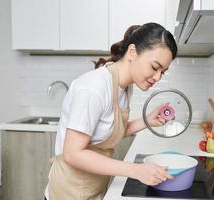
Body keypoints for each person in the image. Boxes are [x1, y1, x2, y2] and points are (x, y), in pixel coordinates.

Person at [45, 22, 178, 200]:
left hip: (93, 187)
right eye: (155, 67)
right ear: (132, 52)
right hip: (69, 192)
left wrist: (148, 120)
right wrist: (136, 170)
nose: (157, 77)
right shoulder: (93, 88)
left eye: (163, 72)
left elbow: (107, 132)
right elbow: (72, 153)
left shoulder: (125, 86)